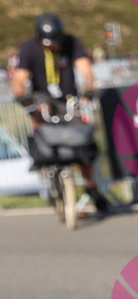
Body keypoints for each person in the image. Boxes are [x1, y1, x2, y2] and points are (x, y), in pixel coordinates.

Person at [10, 12, 110, 212]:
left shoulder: (72, 43)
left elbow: (85, 69)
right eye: (47, 43)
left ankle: (91, 186)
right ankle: (48, 180)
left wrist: (88, 91)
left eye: (54, 43)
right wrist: (22, 98)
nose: (51, 47)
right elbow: (20, 78)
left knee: (82, 140)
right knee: (40, 130)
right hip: (42, 97)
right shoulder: (29, 47)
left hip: (68, 97)